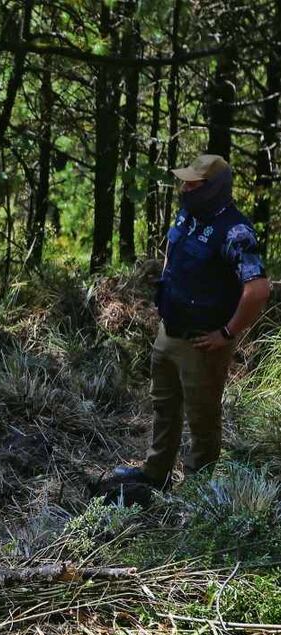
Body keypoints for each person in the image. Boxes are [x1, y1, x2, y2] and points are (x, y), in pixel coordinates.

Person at [111, 154, 270, 491]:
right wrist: (167, 291)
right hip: (169, 331)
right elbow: (173, 245)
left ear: (213, 188)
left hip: (203, 342)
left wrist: (227, 333)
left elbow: (258, 289)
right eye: (183, 182)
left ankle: (199, 493)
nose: (184, 188)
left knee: (202, 420)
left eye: (192, 184)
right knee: (163, 407)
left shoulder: (236, 231)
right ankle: (156, 475)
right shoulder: (188, 214)